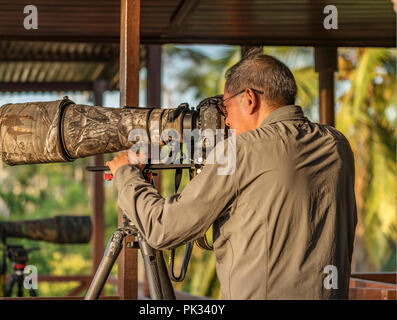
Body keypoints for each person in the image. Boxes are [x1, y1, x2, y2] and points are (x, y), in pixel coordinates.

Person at [107, 50, 357, 299]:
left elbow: (164, 229)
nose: (226, 122)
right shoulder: (337, 145)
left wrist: (127, 175)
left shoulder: (242, 150)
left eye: (225, 108)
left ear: (249, 98)